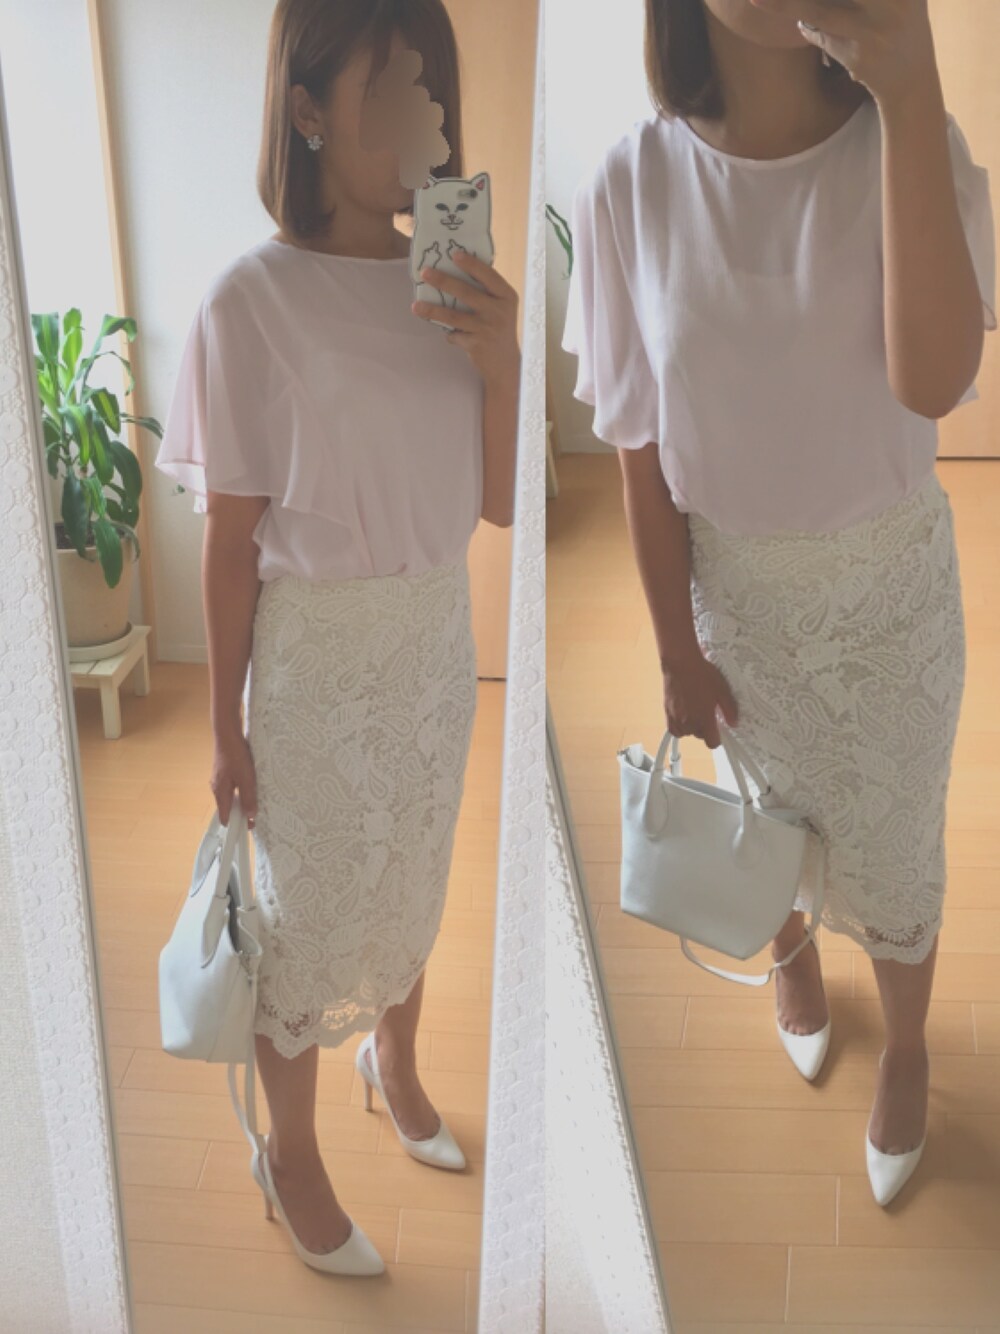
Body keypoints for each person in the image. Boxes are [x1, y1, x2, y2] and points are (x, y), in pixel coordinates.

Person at [563, 0, 995, 1208]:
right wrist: (671, 648)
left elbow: (935, 380)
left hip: (889, 600)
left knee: (896, 850)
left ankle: (905, 1045)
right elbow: (638, 450)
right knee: (765, 819)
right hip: (739, 605)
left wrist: (909, 87)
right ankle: (790, 953)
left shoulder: (913, 141)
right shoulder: (629, 182)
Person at [155, 0, 520, 1274]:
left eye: (433, 91)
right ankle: (291, 1149)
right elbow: (230, 542)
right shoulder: (247, 302)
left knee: (413, 873)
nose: (425, 119)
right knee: (304, 917)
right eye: (390, 90)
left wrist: (501, 358)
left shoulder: (451, 283)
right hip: (315, 665)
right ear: (306, 109)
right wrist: (222, 727)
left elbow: (500, 502)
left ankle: (395, 1061)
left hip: (433, 645)